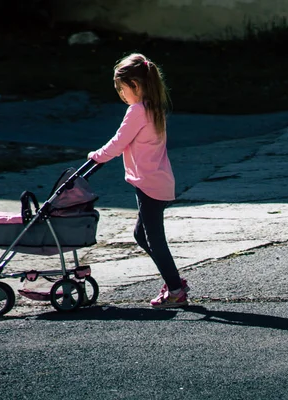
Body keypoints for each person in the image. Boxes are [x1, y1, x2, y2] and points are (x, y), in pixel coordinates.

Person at [88, 53, 189, 308]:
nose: (122, 96)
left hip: (150, 184)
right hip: (156, 181)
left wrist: (96, 156)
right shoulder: (154, 109)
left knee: (153, 238)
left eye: (123, 90)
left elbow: (118, 142)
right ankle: (174, 281)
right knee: (141, 235)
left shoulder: (137, 111)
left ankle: (175, 290)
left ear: (134, 85)